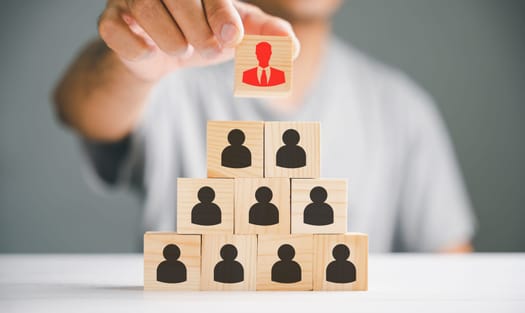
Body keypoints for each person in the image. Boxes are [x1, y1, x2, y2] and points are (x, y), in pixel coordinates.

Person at [53, 0, 476, 253]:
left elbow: (454, 273)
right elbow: (77, 107)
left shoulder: (402, 109)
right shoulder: (169, 82)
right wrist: (132, 58)